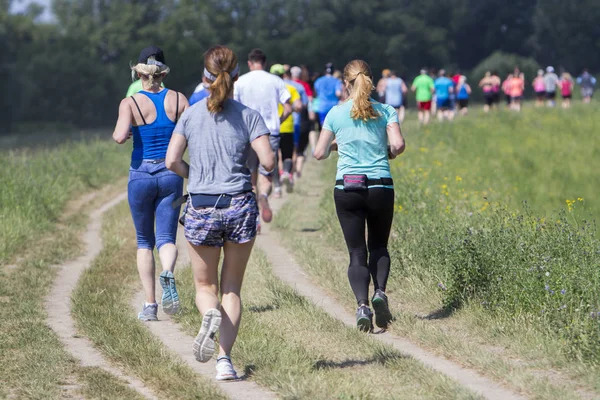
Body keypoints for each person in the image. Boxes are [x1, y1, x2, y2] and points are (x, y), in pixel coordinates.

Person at [165, 45, 275, 381]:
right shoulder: (248, 115)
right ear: (236, 76)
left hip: (201, 205)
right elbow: (268, 162)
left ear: (205, 76)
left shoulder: (190, 114)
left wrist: (194, 175)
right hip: (239, 204)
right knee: (232, 288)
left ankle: (209, 314)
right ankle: (225, 362)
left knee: (204, 285)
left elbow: (171, 161)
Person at [313, 59, 405, 332]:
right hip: (380, 186)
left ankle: (362, 306)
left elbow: (318, 153)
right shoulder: (386, 110)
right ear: (371, 80)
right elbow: (398, 144)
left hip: (348, 188)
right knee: (379, 246)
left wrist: (336, 144)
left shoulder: (335, 113)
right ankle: (380, 293)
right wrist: (388, 152)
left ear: (346, 83)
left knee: (356, 252)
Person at [112, 46, 188, 321]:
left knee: (144, 241)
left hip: (141, 175)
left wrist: (132, 128)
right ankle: (168, 270)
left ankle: (150, 305)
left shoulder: (129, 103)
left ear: (139, 73)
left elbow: (120, 137)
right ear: (164, 73)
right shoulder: (179, 99)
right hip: (171, 174)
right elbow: (192, 133)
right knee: (167, 239)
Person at [234, 49, 291, 228]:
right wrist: (278, 121)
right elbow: (288, 108)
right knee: (267, 172)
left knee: (251, 174)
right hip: (270, 132)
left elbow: (233, 107)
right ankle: (264, 196)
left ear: (250, 63)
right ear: (264, 63)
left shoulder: (240, 82)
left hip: (246, 134)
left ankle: (254, 216)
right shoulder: (276, 81)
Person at [270, 64, 302, 195]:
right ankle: (287, 173)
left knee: (274, 157)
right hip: (288, 126)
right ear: (284, 75)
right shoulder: (290, 88)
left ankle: (277, 187)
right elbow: (298, 106)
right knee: (287, 154)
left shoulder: (268, 88)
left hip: (272, 127)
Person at [290, 66, 313, 178]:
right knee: (298, 148)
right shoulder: (302, 86)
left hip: (284, 122)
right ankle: (296, 171)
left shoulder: (284, 85)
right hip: (299, 120)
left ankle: (287, 172)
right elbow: (307, 102)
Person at [314, 63, 343, 127]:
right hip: (333, 107)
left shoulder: (318, 81)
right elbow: (338, 93)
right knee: (334, 127)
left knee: (324, 127)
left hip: (322, 107)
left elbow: (315, 93)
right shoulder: (337, 81)